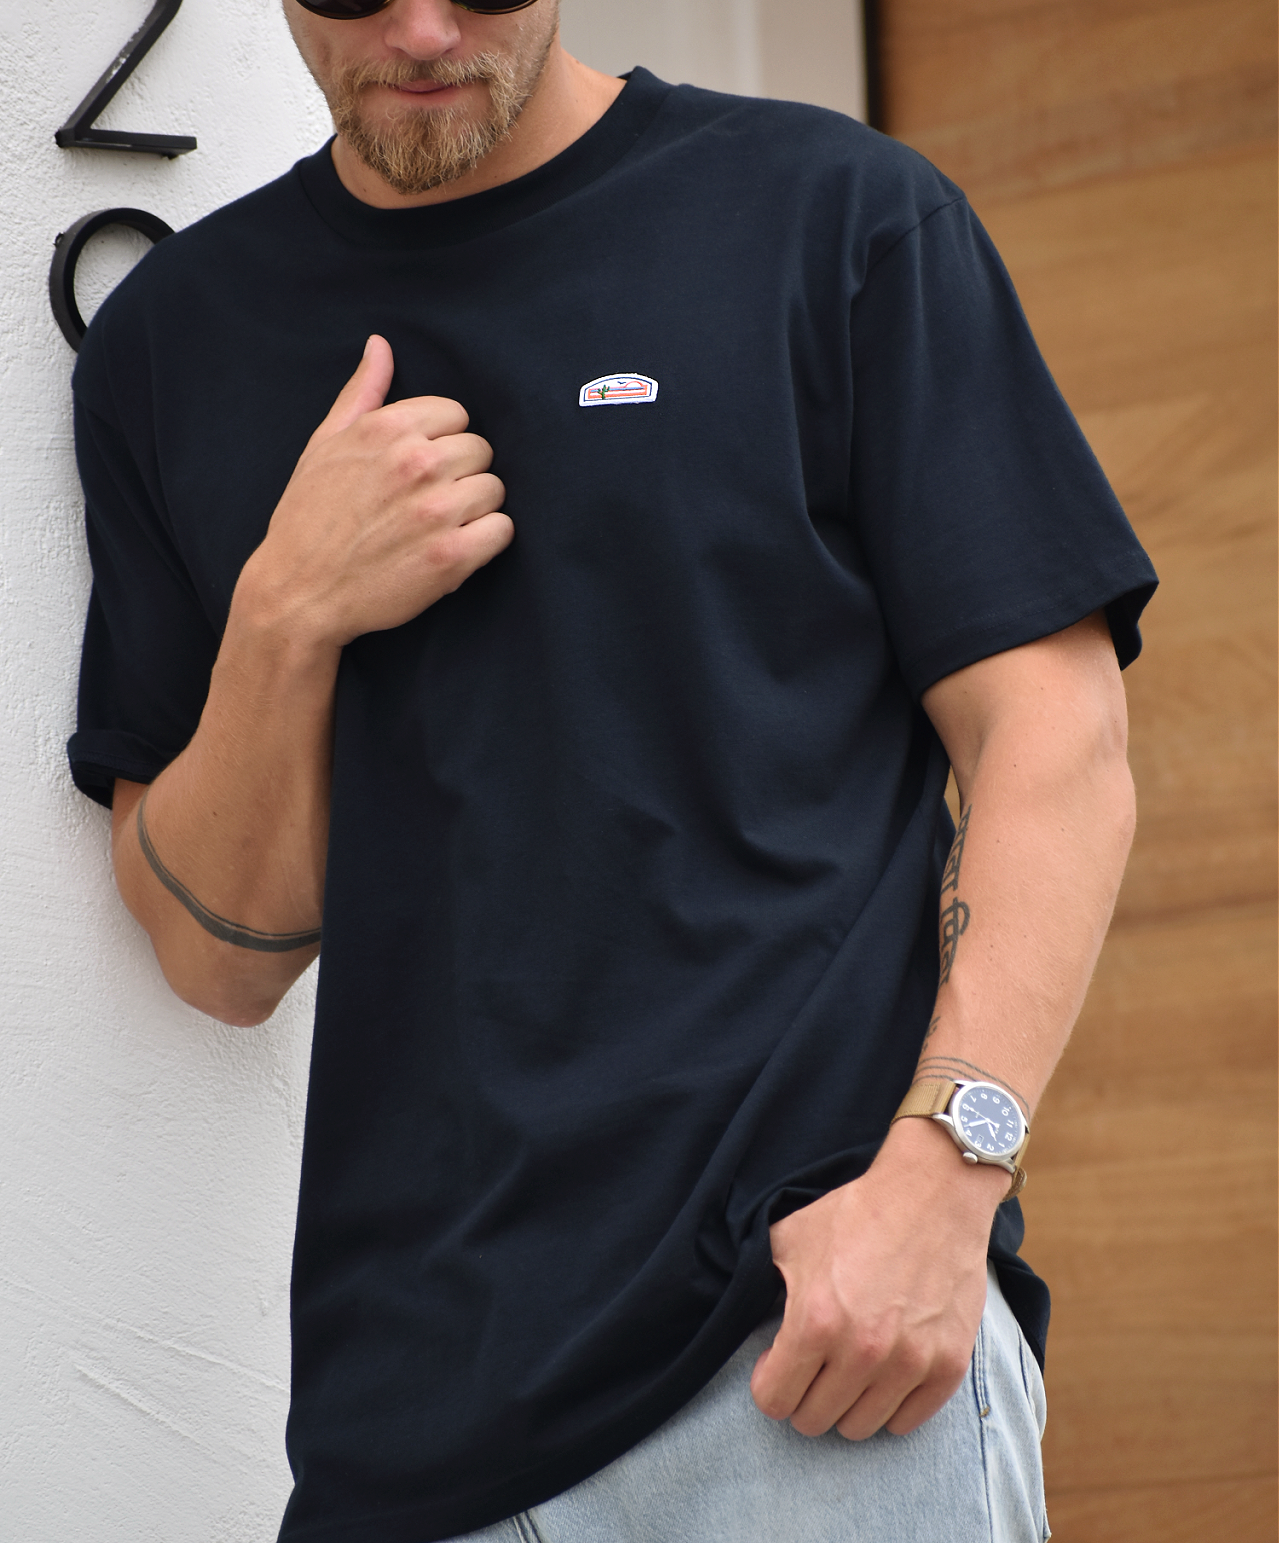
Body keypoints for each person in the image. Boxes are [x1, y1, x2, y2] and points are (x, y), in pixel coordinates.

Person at [66, 2, 1157, 1539]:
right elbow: (216, 957)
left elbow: (1055, 737)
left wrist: (940, 1183)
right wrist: (286, 609)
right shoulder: (175, 343)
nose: (422, 28)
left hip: (803, 1365)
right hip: (405, 1422)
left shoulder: (830, 218)